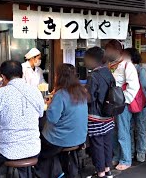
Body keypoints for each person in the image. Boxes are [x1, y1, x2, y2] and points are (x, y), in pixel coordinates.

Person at [0, 60, 44, 178]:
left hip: (8, 150)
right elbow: (41, 114)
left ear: (3, 77)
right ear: (22, 74)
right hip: (33, 148)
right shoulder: (35, 91)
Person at [35, 64, 88, 178]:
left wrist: (49, 105)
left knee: (38, 143)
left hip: (61, 140)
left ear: (59, 77)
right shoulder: (81, 91)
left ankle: (51, 173)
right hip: (80, 138)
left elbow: (52, 119)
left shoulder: (61, 94)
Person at [105, 40, 140, 171]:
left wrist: (123, 100)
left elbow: (134, 86)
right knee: (113, 131)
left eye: (110, 51)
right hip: (111, 105)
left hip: (122, 105)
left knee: (123, 132)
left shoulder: (127, 65)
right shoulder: (110, 65)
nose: (108, 53)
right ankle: (117, 156)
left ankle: (126, 159)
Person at [85, 47, 115, 178]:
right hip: (108, 114)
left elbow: (89, 98)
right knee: (107, 143)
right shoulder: (108, 72)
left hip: (95, 115)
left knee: (97, 145)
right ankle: (107, 169)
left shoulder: (93, 76)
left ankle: (100, 172)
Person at [123, 48, 146, 163]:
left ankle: (139, 152)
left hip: (138, 103)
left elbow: (143, 87)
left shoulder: (139, 70)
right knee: (135, 128)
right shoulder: (126, 69)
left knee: (137, 128)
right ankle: (136, 152)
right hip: (131, 102)